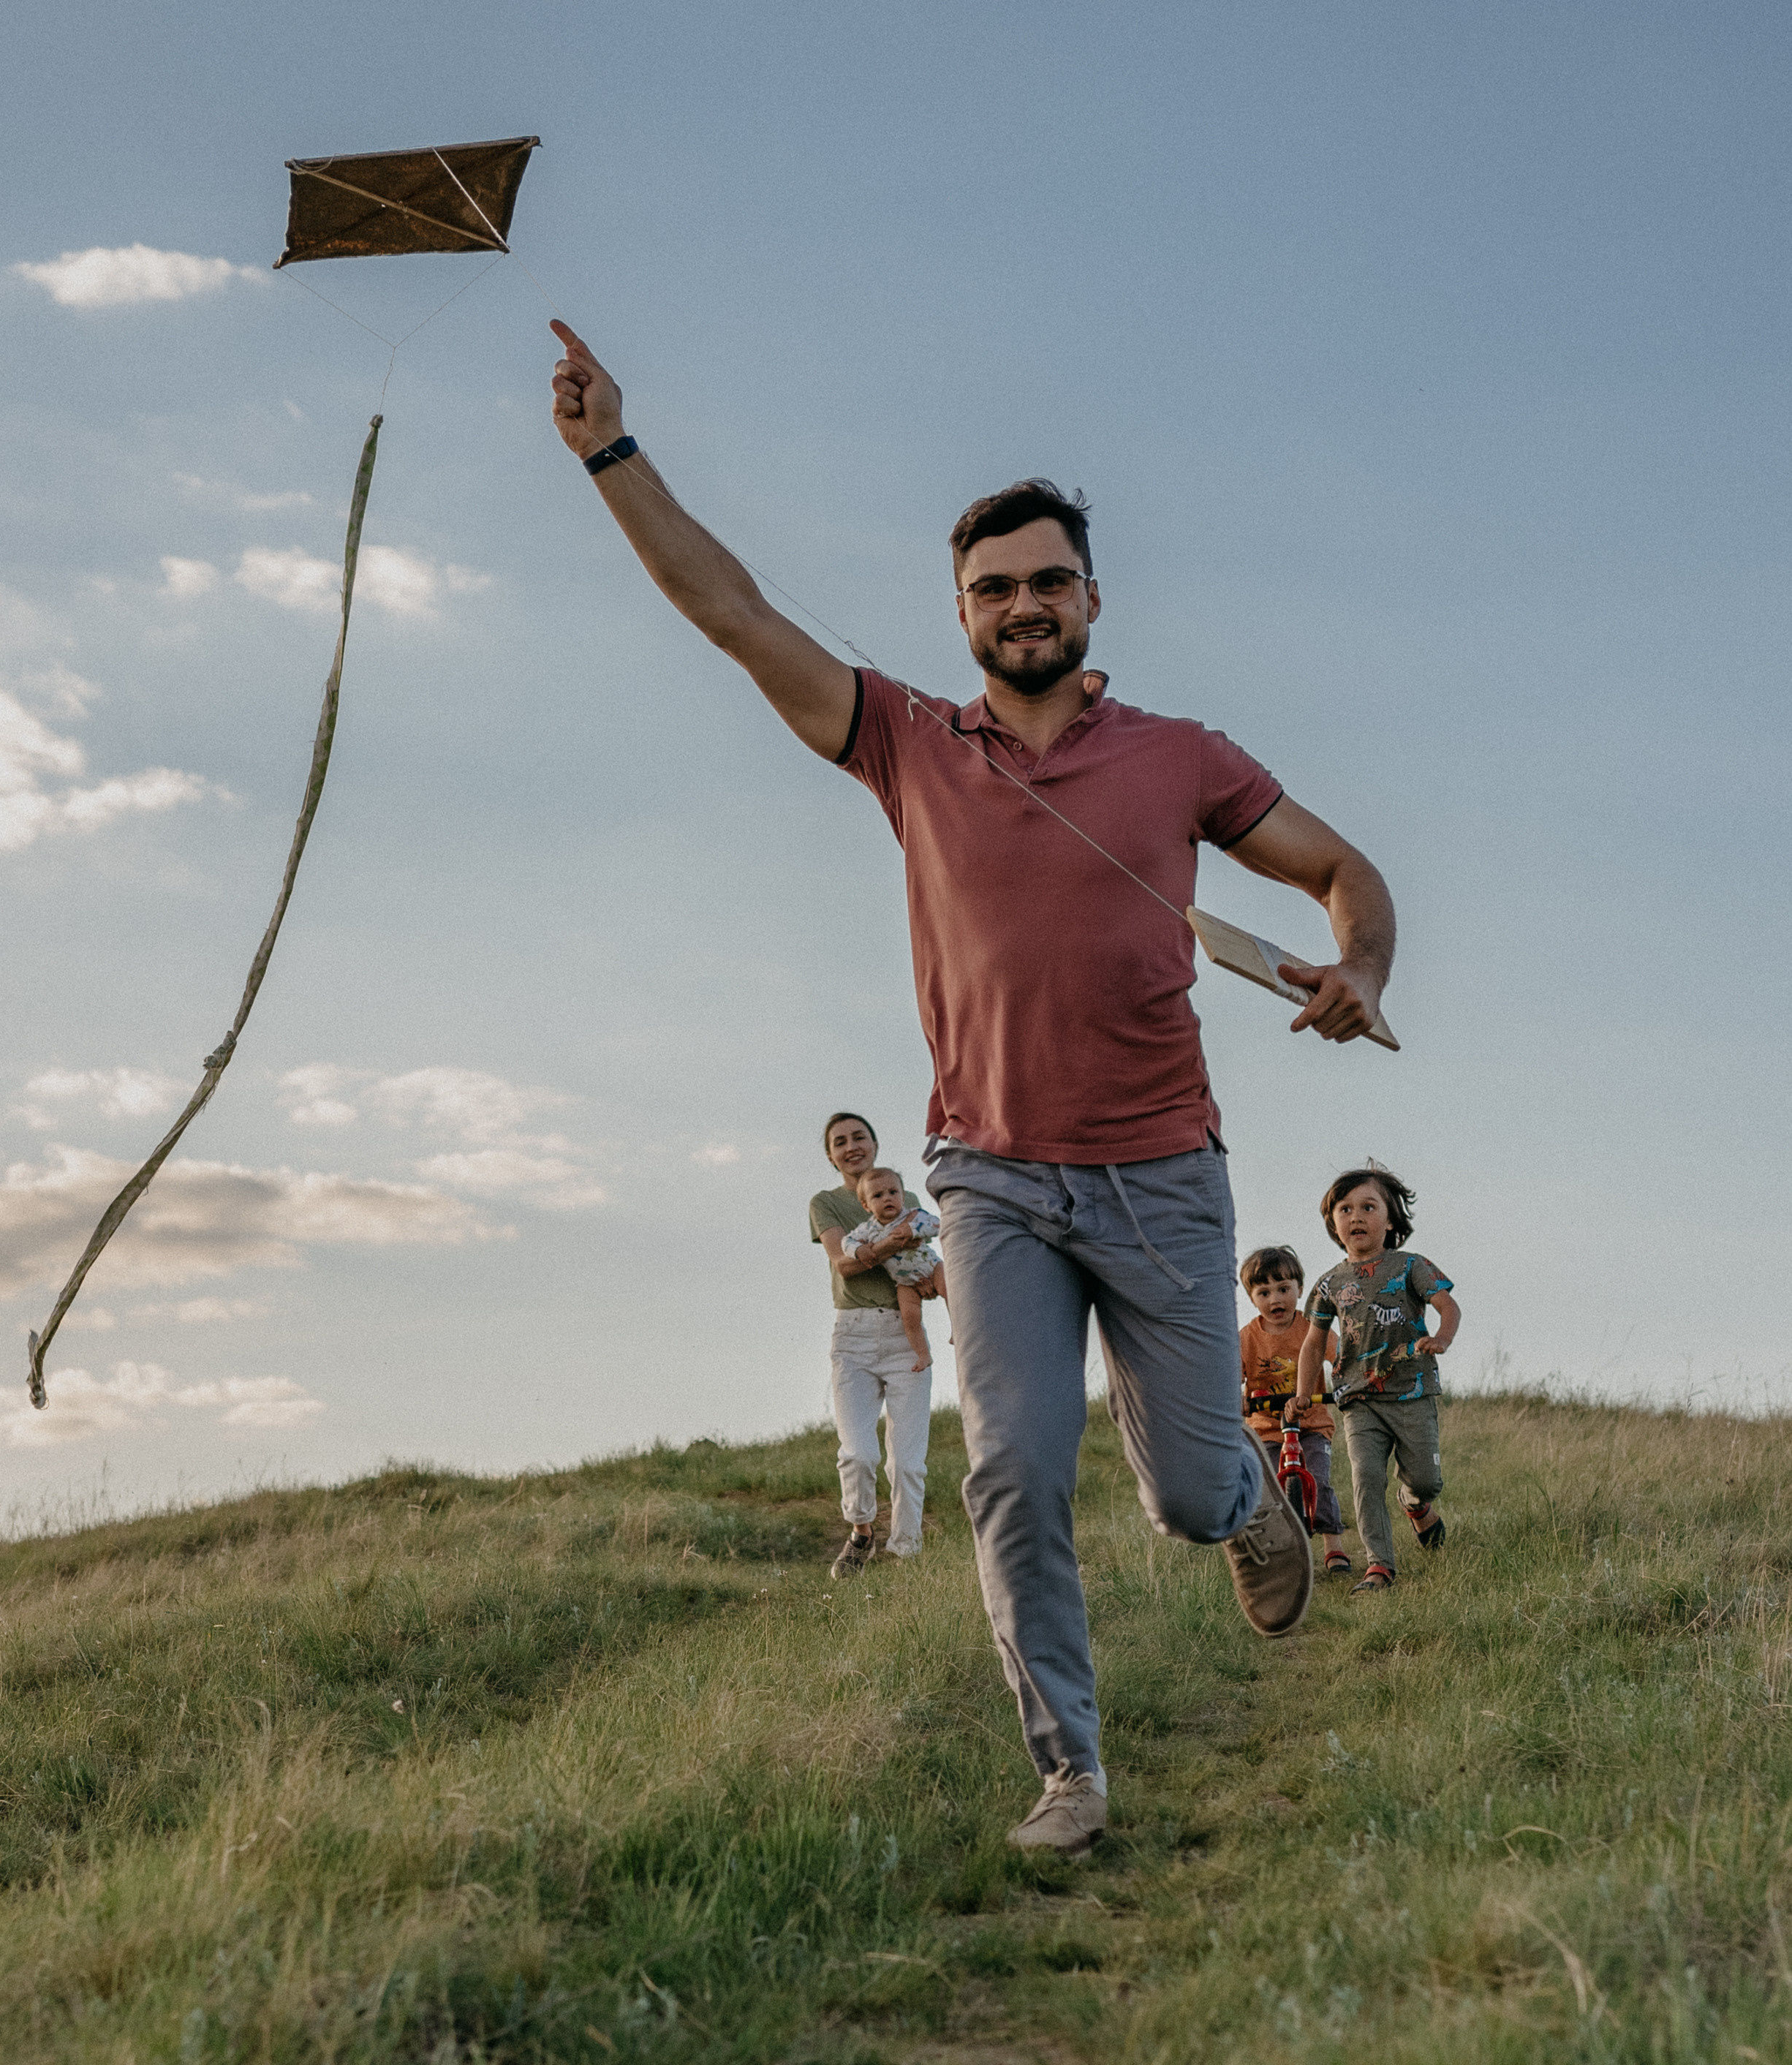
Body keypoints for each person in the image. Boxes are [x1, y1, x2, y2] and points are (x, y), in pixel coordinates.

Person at [551, 325, 1397, 1855]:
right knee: (1010, 1465)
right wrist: (614, 454)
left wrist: (1362, 971)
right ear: (961, 614)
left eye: (1047, 581)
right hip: (989, 1175)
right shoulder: (905, 744)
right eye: (993, 588)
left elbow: (1341, 872)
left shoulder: (1181, 757)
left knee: (1188, 1489)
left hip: (1159, 1176)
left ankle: (1244, 1510)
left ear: (1090, 598)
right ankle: (1068, 1767)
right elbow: (729, 611)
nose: (1023, 605)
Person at [1296, 1166, 1459, 1592]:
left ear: (1390, 1220)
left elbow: (1448, 1307)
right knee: (1366, 1479)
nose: (1356, 1217)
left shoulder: (1411, 1266)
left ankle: (1415, 1502)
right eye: (1345, 1209)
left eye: (1369, 1207)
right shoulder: (1329, 1283)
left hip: (1412, 1393)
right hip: (1358, 1400)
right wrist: (1302, 1394)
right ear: (1333, 1223)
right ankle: (1379, 1567)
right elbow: (1314, 1344)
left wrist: (1441, 1338)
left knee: (1425, 1479)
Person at [808, 1112, 934, 1576]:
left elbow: (924, 1262)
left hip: (906, 1334)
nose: (851, 1146)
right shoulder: (826, 1203)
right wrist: (890, 1247)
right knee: (858, 1453)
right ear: (831, 1155)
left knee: (908, 1461)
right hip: (854, 1336)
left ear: (875, 1144)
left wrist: (925, 1277)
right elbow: (844, 1263)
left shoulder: (909, 1197)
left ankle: (906, 1553)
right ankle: (861, 1531)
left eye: (859, 1137)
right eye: (840, 1142)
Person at [1239, 1245, 1350, 1575]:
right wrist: (1237, 1399)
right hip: (1267, 1428)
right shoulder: (1247, 1338)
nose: (1276, 1299)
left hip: (1312, 1423)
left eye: (1284, 1289)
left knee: (1318, 1478)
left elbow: (1341, 1357)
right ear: (1252, 1298)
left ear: (1300, 1289)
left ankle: (1334, 1546)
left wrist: (1346, 1384)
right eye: (1264, 1292)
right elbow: (1231, 1372)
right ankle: (1281, 1554)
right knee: (1269, 1490)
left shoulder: (1312, 1328)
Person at [843, 1163, 944, 1373]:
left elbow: (937, 1225)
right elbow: (847, 1242)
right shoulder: (869, 1229)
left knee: (952, 1292)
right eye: (878, 1196)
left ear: (902, 1195)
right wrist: (859, 1251)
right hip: (905, 1282)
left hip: (933, 1268)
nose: (887, 1198)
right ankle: (924, 1355)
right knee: (910, 1317)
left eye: (893, 1192)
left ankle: (959, 1329)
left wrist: (914, 1230)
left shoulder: (914, 1215)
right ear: (866, 1205)